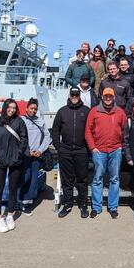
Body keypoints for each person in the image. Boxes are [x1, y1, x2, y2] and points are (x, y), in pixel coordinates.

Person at [85, 87, 127, 218]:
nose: (108, 98)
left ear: (114, 98)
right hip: (99, 151)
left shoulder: (120, 112)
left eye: (110, 96)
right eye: (106, 96)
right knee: (97, 179)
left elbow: (126, 131)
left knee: (114, 179)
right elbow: (88, 131)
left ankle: (113, 207)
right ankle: (96, 208)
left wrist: (121, 146)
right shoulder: (94, 111)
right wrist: (92, 147)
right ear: (102, 97)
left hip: (115, 150)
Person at [0, 99, 28, 233]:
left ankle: (10, 215)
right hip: (0, 162)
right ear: (4, 108)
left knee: (13, 188)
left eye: (14, 108)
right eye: (9, 107)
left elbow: (24, 140)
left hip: (16, 161)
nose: (12, 110)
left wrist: (18, 155)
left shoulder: (19, 122)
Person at [52, 87, 90, 218]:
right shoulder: (62, 111)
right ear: (69, 95)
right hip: (66, 150)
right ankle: (67, 204)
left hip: (81, 150)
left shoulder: (86, 111)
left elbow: (91, 130)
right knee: (67, 180)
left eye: (76, 94)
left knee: (82, 179)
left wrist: (88, 148)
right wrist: (58, 147)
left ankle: (83, 205)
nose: (74, 96)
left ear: (79, 96)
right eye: (72, 94)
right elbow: (55, 130)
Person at [19, 98, 51, 215]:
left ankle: (26, 203)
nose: (33, 111)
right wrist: (27, 151)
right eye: (31, 108)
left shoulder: (40, 121)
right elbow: (18, 138)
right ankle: (17, 198)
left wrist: (40, 150)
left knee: (33, 179)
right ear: (27, 108)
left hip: (36, 155)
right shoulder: (21, 120)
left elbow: (48, 136)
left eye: (35, 109)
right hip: (24, 155)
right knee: (24, 177)